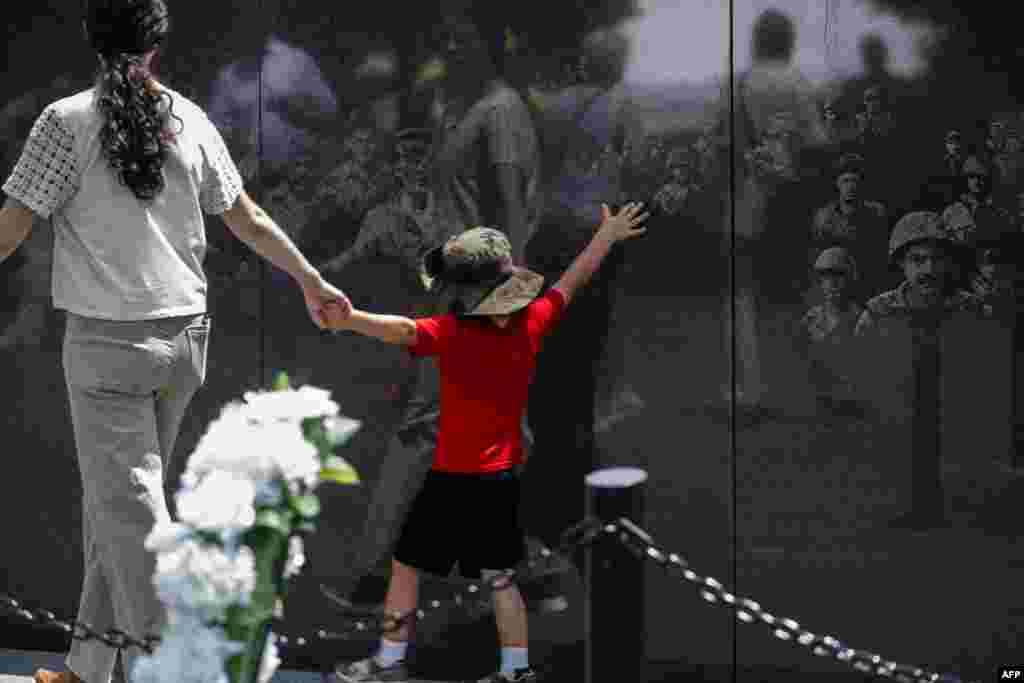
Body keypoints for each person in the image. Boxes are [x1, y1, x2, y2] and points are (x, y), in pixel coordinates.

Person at [0, 3, 350, 682]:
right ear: (156, 47)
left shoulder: (64, 122)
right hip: (185, 344)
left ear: (92, 41)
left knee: (131, 515)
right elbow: (245, 217)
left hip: (106, 351)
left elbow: (10, 231)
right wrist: (310, 278)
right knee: (120, 504)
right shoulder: (189, 118)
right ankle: (88, 666)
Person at [329, 202, 649, 683]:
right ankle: (515, 672)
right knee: (498, 580)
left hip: (452, 479)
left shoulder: (453, 334)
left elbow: (399, 330)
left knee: (408, 568)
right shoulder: (531, 325)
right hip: (498, 478)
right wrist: (606, 236)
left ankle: (389, 665)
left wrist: (350, 318)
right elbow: (572, 282)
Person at [713, 8, 826, 422]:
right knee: (795, 296)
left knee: (742, 298)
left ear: (757, 40)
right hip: (789, 205)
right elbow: (817, 145)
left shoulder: (737, 84)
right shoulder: (798, 84)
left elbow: (721, 145)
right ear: (789, 41)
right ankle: (806, 387)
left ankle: (747, 393)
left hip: (745, 203)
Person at [796, 247, 865, 417]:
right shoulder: (809, 321)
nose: (832, 284)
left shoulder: (863, 320)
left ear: (850, 279)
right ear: (819, 281)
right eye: (826, 277)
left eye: (839, 276)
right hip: (815, 407)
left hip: (852, 407)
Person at [809, 152, 888, 300]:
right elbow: (818, 260)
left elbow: (881, 256)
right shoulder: (824, 217)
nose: (851, 186)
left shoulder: (876, 213)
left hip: (869, 283)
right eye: (845, 181)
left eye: (854, 181)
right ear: (838, 184)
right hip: (836, 283)